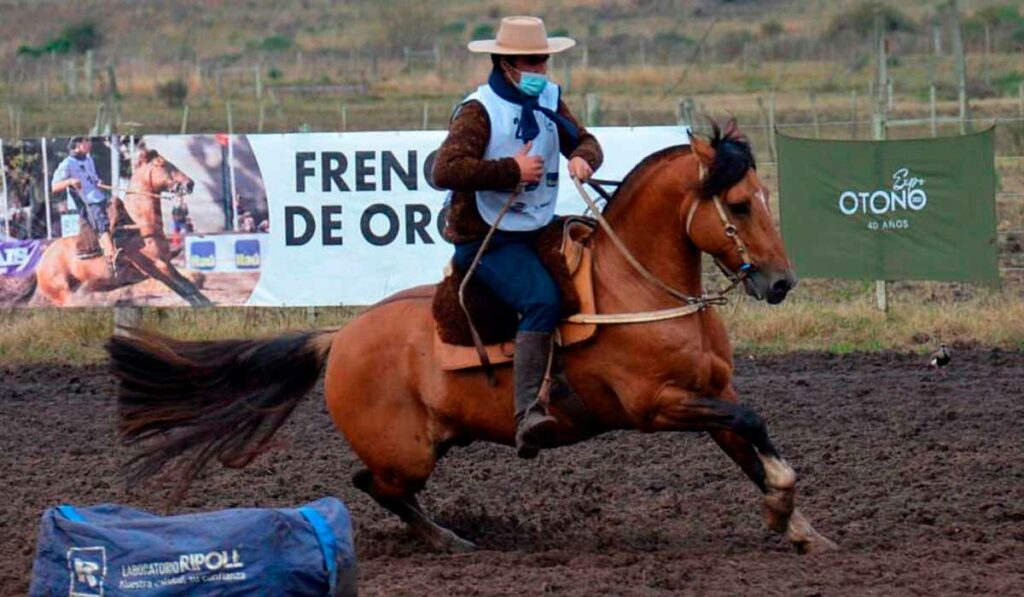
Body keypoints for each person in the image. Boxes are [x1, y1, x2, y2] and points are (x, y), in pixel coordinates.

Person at [432, 16, 603, 459]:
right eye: (533, 61)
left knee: (591, 274)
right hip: (485, 237)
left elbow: (585, 141)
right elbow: (444, 170)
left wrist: (584, 158)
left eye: (544, 61)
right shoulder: (478, 110)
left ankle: (561, 376)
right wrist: (511, 170)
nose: (541, 70)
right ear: (507, 63)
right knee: (542, 298)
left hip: (536, 227)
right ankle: (528, 412)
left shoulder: (550, 98)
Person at [51, 137, 119, 276]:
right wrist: (69, 181)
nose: (90, 143)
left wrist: (98, 182)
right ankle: (111, 256)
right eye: (86, 141)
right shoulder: (67, 164)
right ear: (77, 144)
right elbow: (54, 187)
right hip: (86, 202)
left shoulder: (89, 160)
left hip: (99, 197)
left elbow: (93, 178)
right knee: (101, 222)